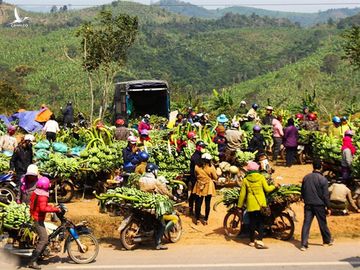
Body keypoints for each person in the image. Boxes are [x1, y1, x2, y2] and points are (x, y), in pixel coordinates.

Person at [139, 163, 178, 250]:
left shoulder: (140, 179)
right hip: (152, 206)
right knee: (162, 225)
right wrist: (172, 196)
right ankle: (158, 243)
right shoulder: (155, 181)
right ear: (154, 171)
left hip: (141, 204)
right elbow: (164, 191)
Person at [237, 161, 276, 249]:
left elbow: (242, 194)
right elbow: (267, 189)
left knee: (252, 222)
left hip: (251, 204)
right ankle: (260, 240)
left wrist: (239, 206)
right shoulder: (261, 177)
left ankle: (251, 241)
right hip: (261, 203)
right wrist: (274, 186)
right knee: (261, 222)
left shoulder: (246, 179)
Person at [300, 159, 333, 251]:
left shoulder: (306, 177)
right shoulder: (323, 179)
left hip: (308, 204)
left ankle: (303, 244)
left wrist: (304, 199)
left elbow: (302, 191)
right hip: (319, 205)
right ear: (321, 167)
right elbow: (325, 195)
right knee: (322, 223)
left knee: (306, 223)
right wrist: (328, 206)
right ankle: (327, 240)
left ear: (313, 166)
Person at [28, 177, 60, 269]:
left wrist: (51, 206)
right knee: (44, 239)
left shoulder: (37, 192)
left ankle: (39, 255)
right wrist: (55, 209)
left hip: (35, 216)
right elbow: (42, 208)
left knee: (45, 238)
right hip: (38, 219)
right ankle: (32, 261)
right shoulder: (43, 195)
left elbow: (41, 205)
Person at [192, 153, 217, 225]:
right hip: (208, 186)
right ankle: (205, 220)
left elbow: (195, 175)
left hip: (199, 185)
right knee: (207, 203)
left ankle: (197, 219)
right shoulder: (211, 167)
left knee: (198, 203)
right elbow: (215, 177)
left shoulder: (196, 167)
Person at [189, 140, 207, 216]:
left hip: (197, 178)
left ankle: (192, 209)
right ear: (198, 147)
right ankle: (195, 212)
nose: (203, 148)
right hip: (195, 179)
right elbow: (198, 169)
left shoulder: (200, 155)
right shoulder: (195, 157)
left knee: (194, 194)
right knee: (196, 196)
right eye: (202, 147)